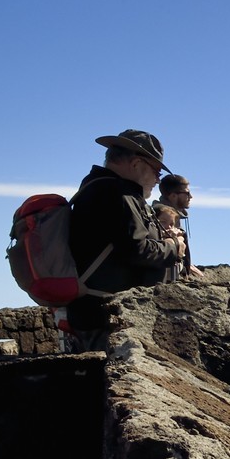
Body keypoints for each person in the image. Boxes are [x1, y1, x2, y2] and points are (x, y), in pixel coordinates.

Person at [64, 130, 186, 349]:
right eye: (157, 170)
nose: (158, 179)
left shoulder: (100, 186)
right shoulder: (117, 194)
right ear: (137, 163)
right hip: (105, 316)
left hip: (94, 312)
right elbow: (136, 250)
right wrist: (173, 247)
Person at [152, 174, 195, 280]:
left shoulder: (166, 214)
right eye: (187, 193)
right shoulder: (158, 215)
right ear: (173, 196)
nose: (191, 196)